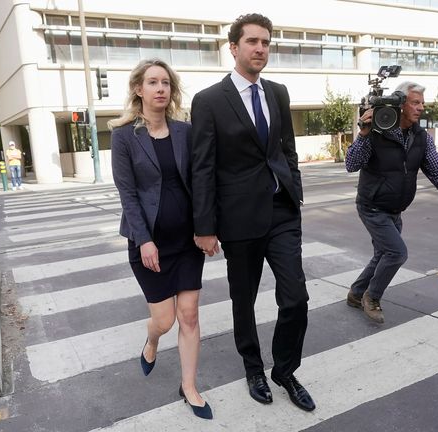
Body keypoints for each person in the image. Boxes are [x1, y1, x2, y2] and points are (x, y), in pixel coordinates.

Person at [190, 13, 315, 412]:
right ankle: (253, 368)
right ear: (233, 47)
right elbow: (203, 167)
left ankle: (285, 369)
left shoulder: (277, 92)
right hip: (239, 219)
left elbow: (286, 148)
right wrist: (205, 227)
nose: (260, 48)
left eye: (265, 42)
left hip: (281, 213)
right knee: (242, 300)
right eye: (252, 42)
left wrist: (293, 188)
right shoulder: (209, 100)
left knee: (295, 298)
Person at [110, 59, 213, 420]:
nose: (160, 89)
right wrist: (144, 240)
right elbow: (128, 194)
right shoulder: (123, 136)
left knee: (189, 315)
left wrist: (208, 227)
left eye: (165, 83)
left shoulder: (185, 131)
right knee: (165, 320)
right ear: (138, 89)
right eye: (152, 82)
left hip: (186, 241)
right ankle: (152, 341)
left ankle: (189, 386)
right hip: (149, 243)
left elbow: (202, 181)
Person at [345, 81, 438, 323]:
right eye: (416, 102)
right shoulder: (376, 132)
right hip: (372, 206)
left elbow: (437, 168)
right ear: (400, 105)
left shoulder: (420, 137)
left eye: (422, 102)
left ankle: (356, 293)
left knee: (383, 253)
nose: (421, 107)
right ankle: (372, 297)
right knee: (396, 252)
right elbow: (351, 164)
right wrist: (363, 133)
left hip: (395, 209)